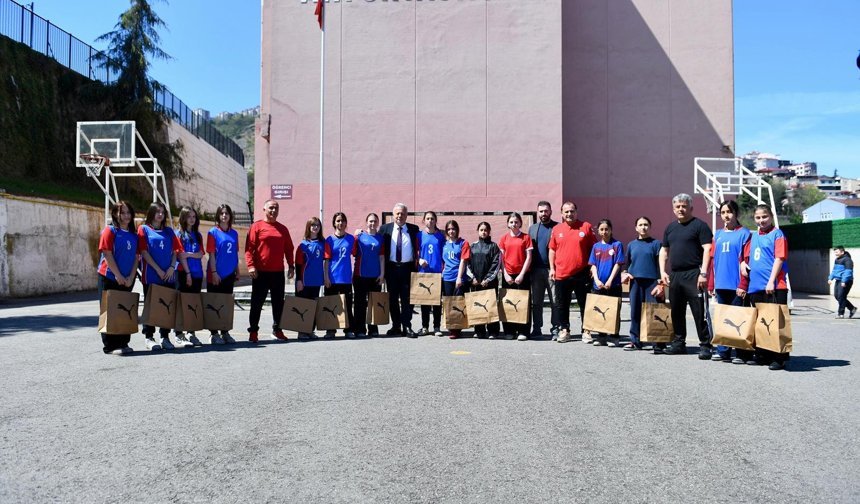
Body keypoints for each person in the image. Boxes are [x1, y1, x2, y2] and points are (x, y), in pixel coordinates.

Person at [659, 193, 713, 359]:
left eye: (684, 206)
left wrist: (703, 273)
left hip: (694, 274)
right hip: (675, 275)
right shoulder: (670, 228)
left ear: (691, 208)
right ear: (673, 209)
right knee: (676, 311)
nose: (680, 209)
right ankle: (679, 343)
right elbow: (664, 251)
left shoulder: (700, 225)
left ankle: (705, 345)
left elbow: (708, 249)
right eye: (677, 206)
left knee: (699, 312)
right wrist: (662, 271)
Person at [740, 204, 790, 370]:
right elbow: (745, 257)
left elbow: (779, 258)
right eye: (758, 217)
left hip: (774, 286)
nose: (761, 220)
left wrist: (771, 281)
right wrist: (742, 264)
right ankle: (762, 354)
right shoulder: (753, 237)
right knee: (761, 323)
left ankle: (779, 357)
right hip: (755, 287)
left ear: (771, 217)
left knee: (776, 322)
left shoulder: (777, 234)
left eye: (764, 217)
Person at [244, 199, 295, 343]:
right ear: (264, 209)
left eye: (276, 208)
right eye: (271, 208)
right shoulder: (256, 226)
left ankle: (277, 330)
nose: (274, 211)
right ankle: (253, 331)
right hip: (260, 272)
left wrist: (291, 266)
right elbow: (249, 249)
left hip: (278, 273)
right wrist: (251, 266)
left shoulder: (283, 229)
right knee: (256, 303)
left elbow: (289, 249)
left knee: (278, 303)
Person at [708, 200, 752, 363]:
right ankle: (723, 351)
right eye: (723, 212)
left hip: (736, 285)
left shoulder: (744, 233)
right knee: (722, 318)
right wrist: (712, 283)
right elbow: (713, 260)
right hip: (721, 284)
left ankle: (741, 353)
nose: (726, 215)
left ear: (736, 214)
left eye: (729, 212)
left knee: (738, 318)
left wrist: (743, 284)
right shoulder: (717, 234)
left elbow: (747, 262)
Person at [138, 202, 183, 351]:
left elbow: (175, 251)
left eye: (163, 212)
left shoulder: (169, 231)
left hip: (168, 275)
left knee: (166, 307)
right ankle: (149, 337)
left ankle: (165, 336)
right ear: (151, 213)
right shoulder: (143, 229)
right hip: (151, 275)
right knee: (151, 307)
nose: (160, 215)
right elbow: (144, 252)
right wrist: (158, 270)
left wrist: (171, 267)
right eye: (157, 212)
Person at [549, 201, 596, 343]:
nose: (569, 214)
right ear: (562, 213)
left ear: (577, 212)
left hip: (582, 273)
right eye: (566, 212)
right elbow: (552, 249)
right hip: (562, 274)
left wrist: (593, 268)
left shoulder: (586, 227)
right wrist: (552, 268)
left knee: (584, 304)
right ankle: (564, 330)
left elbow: (594, 250)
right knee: (562, 304)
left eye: (572, 211)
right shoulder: (557, 229)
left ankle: (586, 331)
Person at [96, 201, 139, 355]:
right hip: (109, 276)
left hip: (127, 278)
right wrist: (118, 275)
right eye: (123, 213)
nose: (126, 216)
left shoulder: (134, 235)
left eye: (129, 213)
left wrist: (131, 277)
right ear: (115, 214)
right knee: (109, 310)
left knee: (125, 310)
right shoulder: (110, 231)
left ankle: (123, 342)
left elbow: (136, 257)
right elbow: (107, 254)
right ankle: (110, 346)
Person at [620, 216, 664, 351]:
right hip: (635, 283)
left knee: (654, 312)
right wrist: (625, 273)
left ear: (650, 227)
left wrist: (660, 283)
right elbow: (627, 265)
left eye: (646, 224)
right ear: (636, 228)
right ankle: (635, 341)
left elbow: (660, 265)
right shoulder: (631, 245)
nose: (643, 227)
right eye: (640, 224)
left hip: (652, 283)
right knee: (635, 312)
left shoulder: (656, 244)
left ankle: (658, 342)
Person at [379, 203, 420, 337]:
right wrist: (359, 232)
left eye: (402, 213)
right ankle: (396, 326)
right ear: (393, 215)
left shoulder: (414, 229)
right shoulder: (385, 229)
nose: (400, 216)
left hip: (407, 268)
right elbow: (373, 237)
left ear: (406, 215)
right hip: (391, 268)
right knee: (392, 298)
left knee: (407, 299)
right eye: (397, 213)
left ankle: (407, 326)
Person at [588, 219, 625, 347]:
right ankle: (601, 336)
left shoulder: (617, 245)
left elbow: (618, 264)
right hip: (598, 285)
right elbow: (592, 265)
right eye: (602, 229)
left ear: (611, 230)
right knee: (600, 311)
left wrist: (610, 280)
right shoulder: (596, 246)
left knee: (613, 310)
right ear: (598, 231)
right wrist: (597, 280)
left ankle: (614, 336)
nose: (604, 232)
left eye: (607, 229)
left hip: (613, 284)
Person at [206, 204, 239, 345]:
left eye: (226, 213)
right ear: (218, 216)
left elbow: (234, 254)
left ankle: (225, 332)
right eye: (221, 213)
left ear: (230, 216)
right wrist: (214, 272)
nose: (224, 216)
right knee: (214, 304)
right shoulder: (213, 232)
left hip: (229, 274)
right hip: (216, 274)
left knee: (225, 305)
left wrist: (236, 270)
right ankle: (213, 334)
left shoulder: (234, 233)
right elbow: (212, 255)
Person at [499, 212, 533, 340]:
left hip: (522, 275)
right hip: (508, 275)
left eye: (516, 222)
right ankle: (509, 331)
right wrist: (506, 274)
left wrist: (522, 274)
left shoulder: (526, 238)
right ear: (508, 224)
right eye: (511, 222)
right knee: (508, 303)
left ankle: (523, 331)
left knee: (523, 303)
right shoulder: (504, 239)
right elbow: (501, 259)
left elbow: (529, 257)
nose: (514, 224)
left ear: (520, 223)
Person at [174, 206, 205, 348]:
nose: (191, 219)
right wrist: (188, 274)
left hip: (197, 274)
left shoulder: (198, 235)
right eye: (189, 216)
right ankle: (179, 334)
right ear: (183, 218)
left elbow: (200, 254)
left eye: (194, 217)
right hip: (183, 273)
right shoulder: (179, 234)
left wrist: (190, 254)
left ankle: (191, 333)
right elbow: (180, 255)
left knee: (193, 304)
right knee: (181, 304)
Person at [528, 201, 559, 339]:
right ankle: (537, 328)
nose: (543, 214)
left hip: (552, 270)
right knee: (536, 302)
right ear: (537, 212)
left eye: (546, 211)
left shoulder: (558, 227)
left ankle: (555, 329)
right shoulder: (532, 228)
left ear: (551, 212)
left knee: (555, 301)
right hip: (536, 270)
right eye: (541, 211)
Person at [323, 212, 356, 338]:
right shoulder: (329, 240)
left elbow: (356, 253)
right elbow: (326, 261)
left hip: (346, 278)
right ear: (334, 223)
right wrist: (325, 277)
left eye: (342, 221)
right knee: (330, 304)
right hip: (332, 277)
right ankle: (330, 330)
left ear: (346, 223)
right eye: (337, 221)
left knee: (347, 305)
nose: (340, 223)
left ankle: (348, 330)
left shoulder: (351, 239)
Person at [353, 213, 385, 338]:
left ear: (378, 223)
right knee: (360, 303)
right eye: (370, 221)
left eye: (375, 221)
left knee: (373, 304)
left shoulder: (380, 238)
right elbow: (353, 252)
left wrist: (382, 274)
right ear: (366, 222)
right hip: (360, 275)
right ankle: (359, 329)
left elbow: (381, 257)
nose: (372, 224)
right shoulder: (359, 237)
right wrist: (355, 235)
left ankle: (373, 328)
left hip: (375, 276)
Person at [294, 217, 326, 340]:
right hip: (305, 281)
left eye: (317, 225)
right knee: (303, 306)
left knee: (313, 306)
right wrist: (299, 280)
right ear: (308, 227)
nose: (315, 227)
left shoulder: (323, 243)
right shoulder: (303, 245)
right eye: (313, 225)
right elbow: (298, 264)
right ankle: (302, 331)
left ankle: (310, 330)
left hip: (316, 280)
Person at [467, 221, 500, 338]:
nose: (483, 232)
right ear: (478, 231)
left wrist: (488, 279)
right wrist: (473, 278)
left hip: (489, 283)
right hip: (476, 282)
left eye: (486, 230)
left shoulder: (494, 246)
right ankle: (479, 330)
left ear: (489, 231)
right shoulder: (473, 246)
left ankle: (493, 331)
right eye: (481, 230)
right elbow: (468, 263)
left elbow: (496, 264)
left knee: (490, 306)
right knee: (478, 306)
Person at [417, 211, 445, 336]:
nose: (430, 221)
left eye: (432, 218)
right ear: (424, 220)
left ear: (435, 220)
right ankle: (424, 326)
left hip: (436, 273)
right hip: (423, 273)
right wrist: (419, 260)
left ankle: (437, 327)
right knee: (424, 302)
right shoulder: (419, 235)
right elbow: (414, 252)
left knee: (436, 302)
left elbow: (444, 253)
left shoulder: (441, 236)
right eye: (427, 218)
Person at [443, 220, 472, 339]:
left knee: (458, 304)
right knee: (449, 304)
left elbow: (463, 261)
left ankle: (457, 329)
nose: (451, 231)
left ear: (457, 230)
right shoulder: (444, 244)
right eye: (449, 229)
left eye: (453, 229)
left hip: (458, 278)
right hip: (446, 278)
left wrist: (459, 277)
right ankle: (451, 326)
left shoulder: (463, 243)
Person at [829, 246, 856, 319]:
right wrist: (830, 278)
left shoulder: (847, 260)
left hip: (846, 281)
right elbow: (834, 270)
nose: (835, 253)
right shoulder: (837, 260)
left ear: (842, 252)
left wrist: (844, 281)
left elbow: (848, 271)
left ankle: (841, 314)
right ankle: (852, 308)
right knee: (837, 296)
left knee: (841, 296)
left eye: (837, 252)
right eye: (835, 252)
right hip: (838, 280)